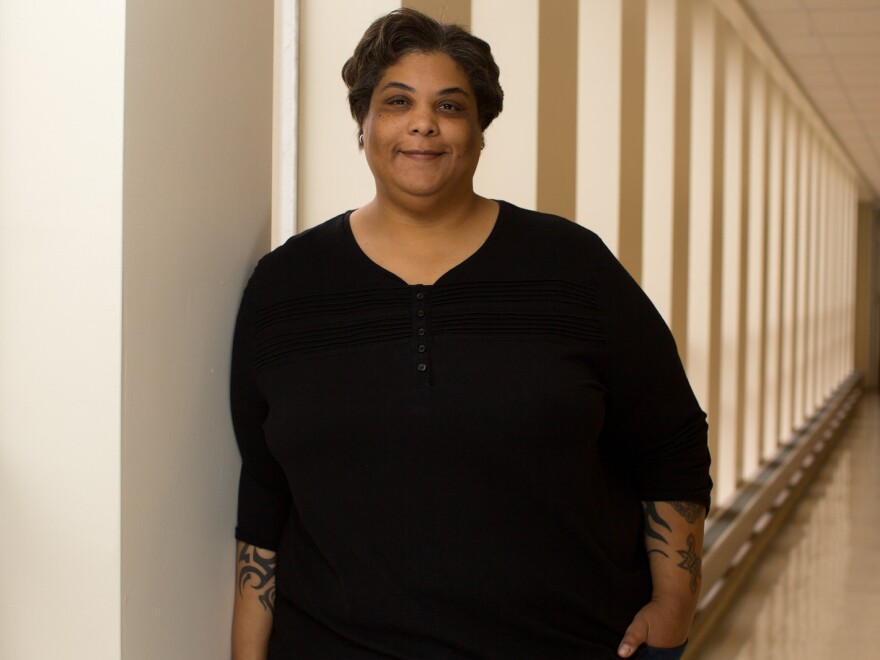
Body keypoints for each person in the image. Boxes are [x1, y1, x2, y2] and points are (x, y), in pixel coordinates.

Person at [230, 8, 711, 660]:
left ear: (480, 131)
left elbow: (670, 438)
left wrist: (675, 606)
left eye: (450, 106)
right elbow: (265, 492)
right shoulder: (285, 289)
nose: (423, 122)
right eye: (397, 101)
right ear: (363, 124)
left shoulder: (573, 269)